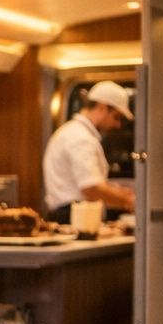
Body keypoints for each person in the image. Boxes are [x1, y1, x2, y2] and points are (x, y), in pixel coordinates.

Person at [43, 79, 136, 224]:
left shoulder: (71, 131)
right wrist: (129, 200)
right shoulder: (80, 138)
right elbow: (91, 187)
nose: (117, 125)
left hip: (73, 215)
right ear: (103, 108)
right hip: (73, 218)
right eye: (116, 117)